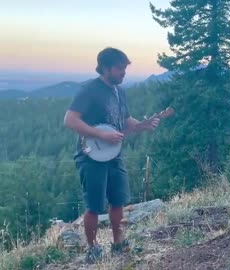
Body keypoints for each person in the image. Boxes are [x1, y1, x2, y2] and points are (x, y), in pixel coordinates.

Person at [64, 47, 161, 263]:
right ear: (105, 67)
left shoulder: (120, 91)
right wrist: (100, 134)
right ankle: (93, 248)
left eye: (125, 68)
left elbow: (125, 120)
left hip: (114, 155)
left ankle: (118, 243)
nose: (123, 72)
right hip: (91, 156)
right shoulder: (89, 89)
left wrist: (143, 126)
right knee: (94, 206)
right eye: (119, 68)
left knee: (118, 201)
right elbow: (70, 120)